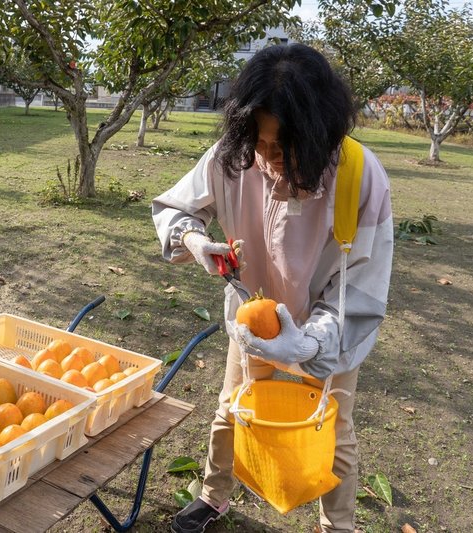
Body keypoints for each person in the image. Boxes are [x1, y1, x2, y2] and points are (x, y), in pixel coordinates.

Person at [152, 43, 393, 533]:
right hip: (255, 321)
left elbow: (360, 289)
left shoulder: (359, 176)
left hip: (329, 332)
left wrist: (307, 342)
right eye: (260, 144)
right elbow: (177, 207)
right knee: (230, 411)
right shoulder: (233, 157)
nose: (268, 158)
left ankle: (337, 525)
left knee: (335, 436)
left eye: (282, 149)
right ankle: (213, 496)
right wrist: (195, 240)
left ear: (320, 134)